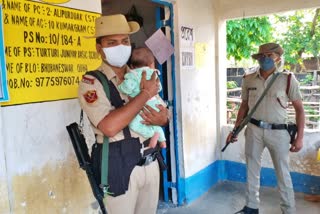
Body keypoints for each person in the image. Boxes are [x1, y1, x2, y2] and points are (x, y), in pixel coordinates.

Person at [78, 14, 169, 214]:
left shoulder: (142, 72)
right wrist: (145, 94)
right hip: (118, 165)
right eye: (112, 42)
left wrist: (164, 119)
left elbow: (162, 110)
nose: (121, 46)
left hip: (150, 160)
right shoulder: (92, 82)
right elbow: (109, 127)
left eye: (125, 41)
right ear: (99, 49)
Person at [226, 43, 305, 214]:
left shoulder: (288, 79)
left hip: (279, 133)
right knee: (251, 170)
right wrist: (235, 130)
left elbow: (299, 109)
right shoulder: (248, 79)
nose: (265, 59)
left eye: (270, 55)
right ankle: (251, 207)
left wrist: (299, 138)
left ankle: (289, 210)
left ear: (278, 57)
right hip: (254, 130)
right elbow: (244, 107)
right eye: (262, 55)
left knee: (283, 174)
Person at [119, 47, 167, 149]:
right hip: (155, 104)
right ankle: (162, 139)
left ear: (131, 66)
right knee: (153, 120)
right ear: (151, 64)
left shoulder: (133, 75)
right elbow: (159, 88)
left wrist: (120, 87)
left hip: (143, 106)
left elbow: (127, 88)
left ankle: (153, 134)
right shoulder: (153, 73)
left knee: (134, 125)